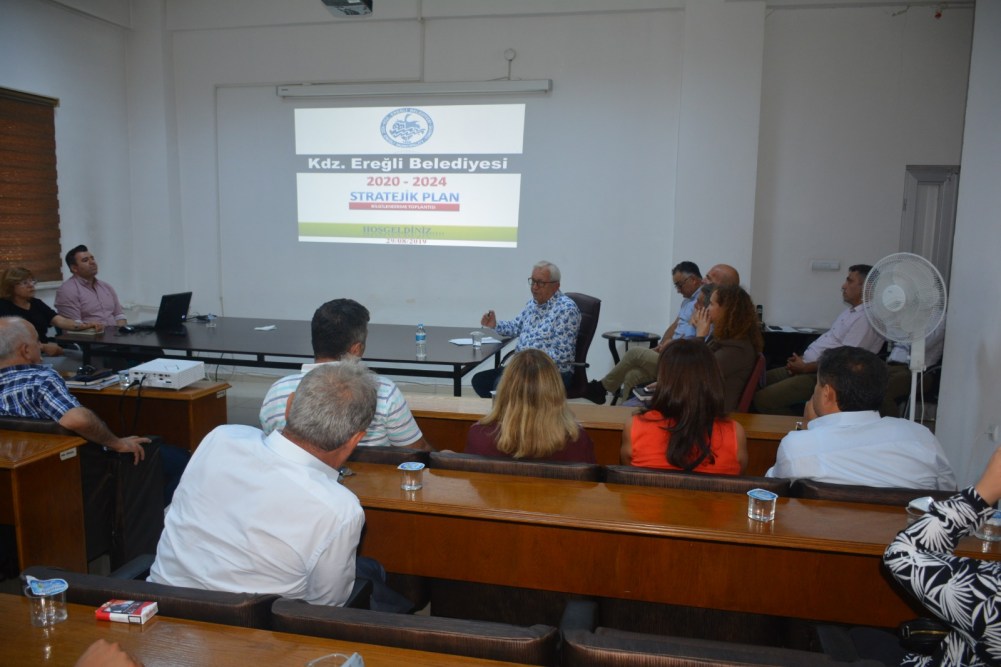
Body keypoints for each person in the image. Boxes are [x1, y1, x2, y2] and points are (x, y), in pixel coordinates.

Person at [150, 364, 374, 606]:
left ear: (289, 406)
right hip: (254, 628)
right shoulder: (340, 510)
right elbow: (327, 604)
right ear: (356, 439)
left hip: (157, 608)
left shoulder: (220, 438)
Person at [0, 316, 188, 503]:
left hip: (31, 476)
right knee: (185, 461)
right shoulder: (41, 379)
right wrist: (117, 443)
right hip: (86, 469)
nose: (41, 346)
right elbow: (77, 420)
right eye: (37, 341)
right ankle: (158, 518)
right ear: (25, 350)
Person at [765, 346, 955, 490]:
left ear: (827, 393)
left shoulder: (797, 447)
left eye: (817, 385)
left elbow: (772, 491)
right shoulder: (922, 438)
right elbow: (947, 494)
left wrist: (809, 430)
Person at [882, 443, 1001, 666]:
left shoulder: (993, 593)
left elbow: (902, 555)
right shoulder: (923, 438)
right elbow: (947, 484)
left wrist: (983, 493)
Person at [260, 298, 432, 450]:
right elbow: (416, 452)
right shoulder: (383, 391)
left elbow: (273, 446)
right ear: (356, 349)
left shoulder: (277, 390)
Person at [584, 262, 742, 404]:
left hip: (680, 363)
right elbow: (675, 328)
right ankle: (622, 417)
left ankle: (601, 388)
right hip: (673, 355)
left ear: (724, 288)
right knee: (633, 374)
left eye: (708, 278)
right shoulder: (691, 302)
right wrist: (662, 345)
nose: (703, 280)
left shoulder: (719, 323)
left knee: (634, 353)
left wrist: (677, 344)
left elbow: (698, 365)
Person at [752, 264, 885, 415]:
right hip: (808, 367)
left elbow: (844, 363)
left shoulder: (866, 319)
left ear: (866, 288)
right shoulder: (852, 312)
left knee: (762, 400)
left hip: (824, 378)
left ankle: (805, 423)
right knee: (756, 381)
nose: (843, 286)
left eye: (849, 281)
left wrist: (805, 368)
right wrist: (801, 360)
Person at [620, 339, 748, 474]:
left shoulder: (635, 427)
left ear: (664, 380)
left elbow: (629, 474)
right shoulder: (735, 434)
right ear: (714, 380)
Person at [473, 260, 581, 398]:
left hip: (549, 373)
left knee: (501, 386)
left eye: (540, 283)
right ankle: (511, 409)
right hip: (522, 368)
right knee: (480, 381)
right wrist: (495, 325)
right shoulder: (533, 304)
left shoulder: (566, 310)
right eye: (533, 281)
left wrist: (528, 359)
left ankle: (513, 411)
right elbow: (516, 327)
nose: (534, 287)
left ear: (556, 286)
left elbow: (562, 355)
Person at [466, 349, 596, 463]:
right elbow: (589, 480)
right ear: (556, 391)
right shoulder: (577, 440)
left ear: (504, 389)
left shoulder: (479, 435)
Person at [690, 284, 763, 412]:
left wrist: (700, 336)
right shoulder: (725, 337)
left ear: (725, 310)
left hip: (712, 412)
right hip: (702, 402)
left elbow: (697, 374)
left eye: (711, 304)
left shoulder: (737, 349)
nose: (707, 308)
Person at [0, 267, 100, 356]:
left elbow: (60, 321)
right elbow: (9, 342)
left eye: (32, 281)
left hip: (45, 350)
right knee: (81, 362)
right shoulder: (3, 307)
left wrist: (85, 325)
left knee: (84, 357)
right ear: (10, 286)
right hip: (22, 356)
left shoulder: (36, 303)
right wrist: (43, 347)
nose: (31, 285)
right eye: (25, 283)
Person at [54, 245, 127, 327]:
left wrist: (119, 331)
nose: (92, 262)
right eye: (85, 260)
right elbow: (74, 326)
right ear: (74, 268)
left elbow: (119, 315)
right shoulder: (67, 290)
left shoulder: (106, 287)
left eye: (92, 258)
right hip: (90, 335)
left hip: (114, 333)